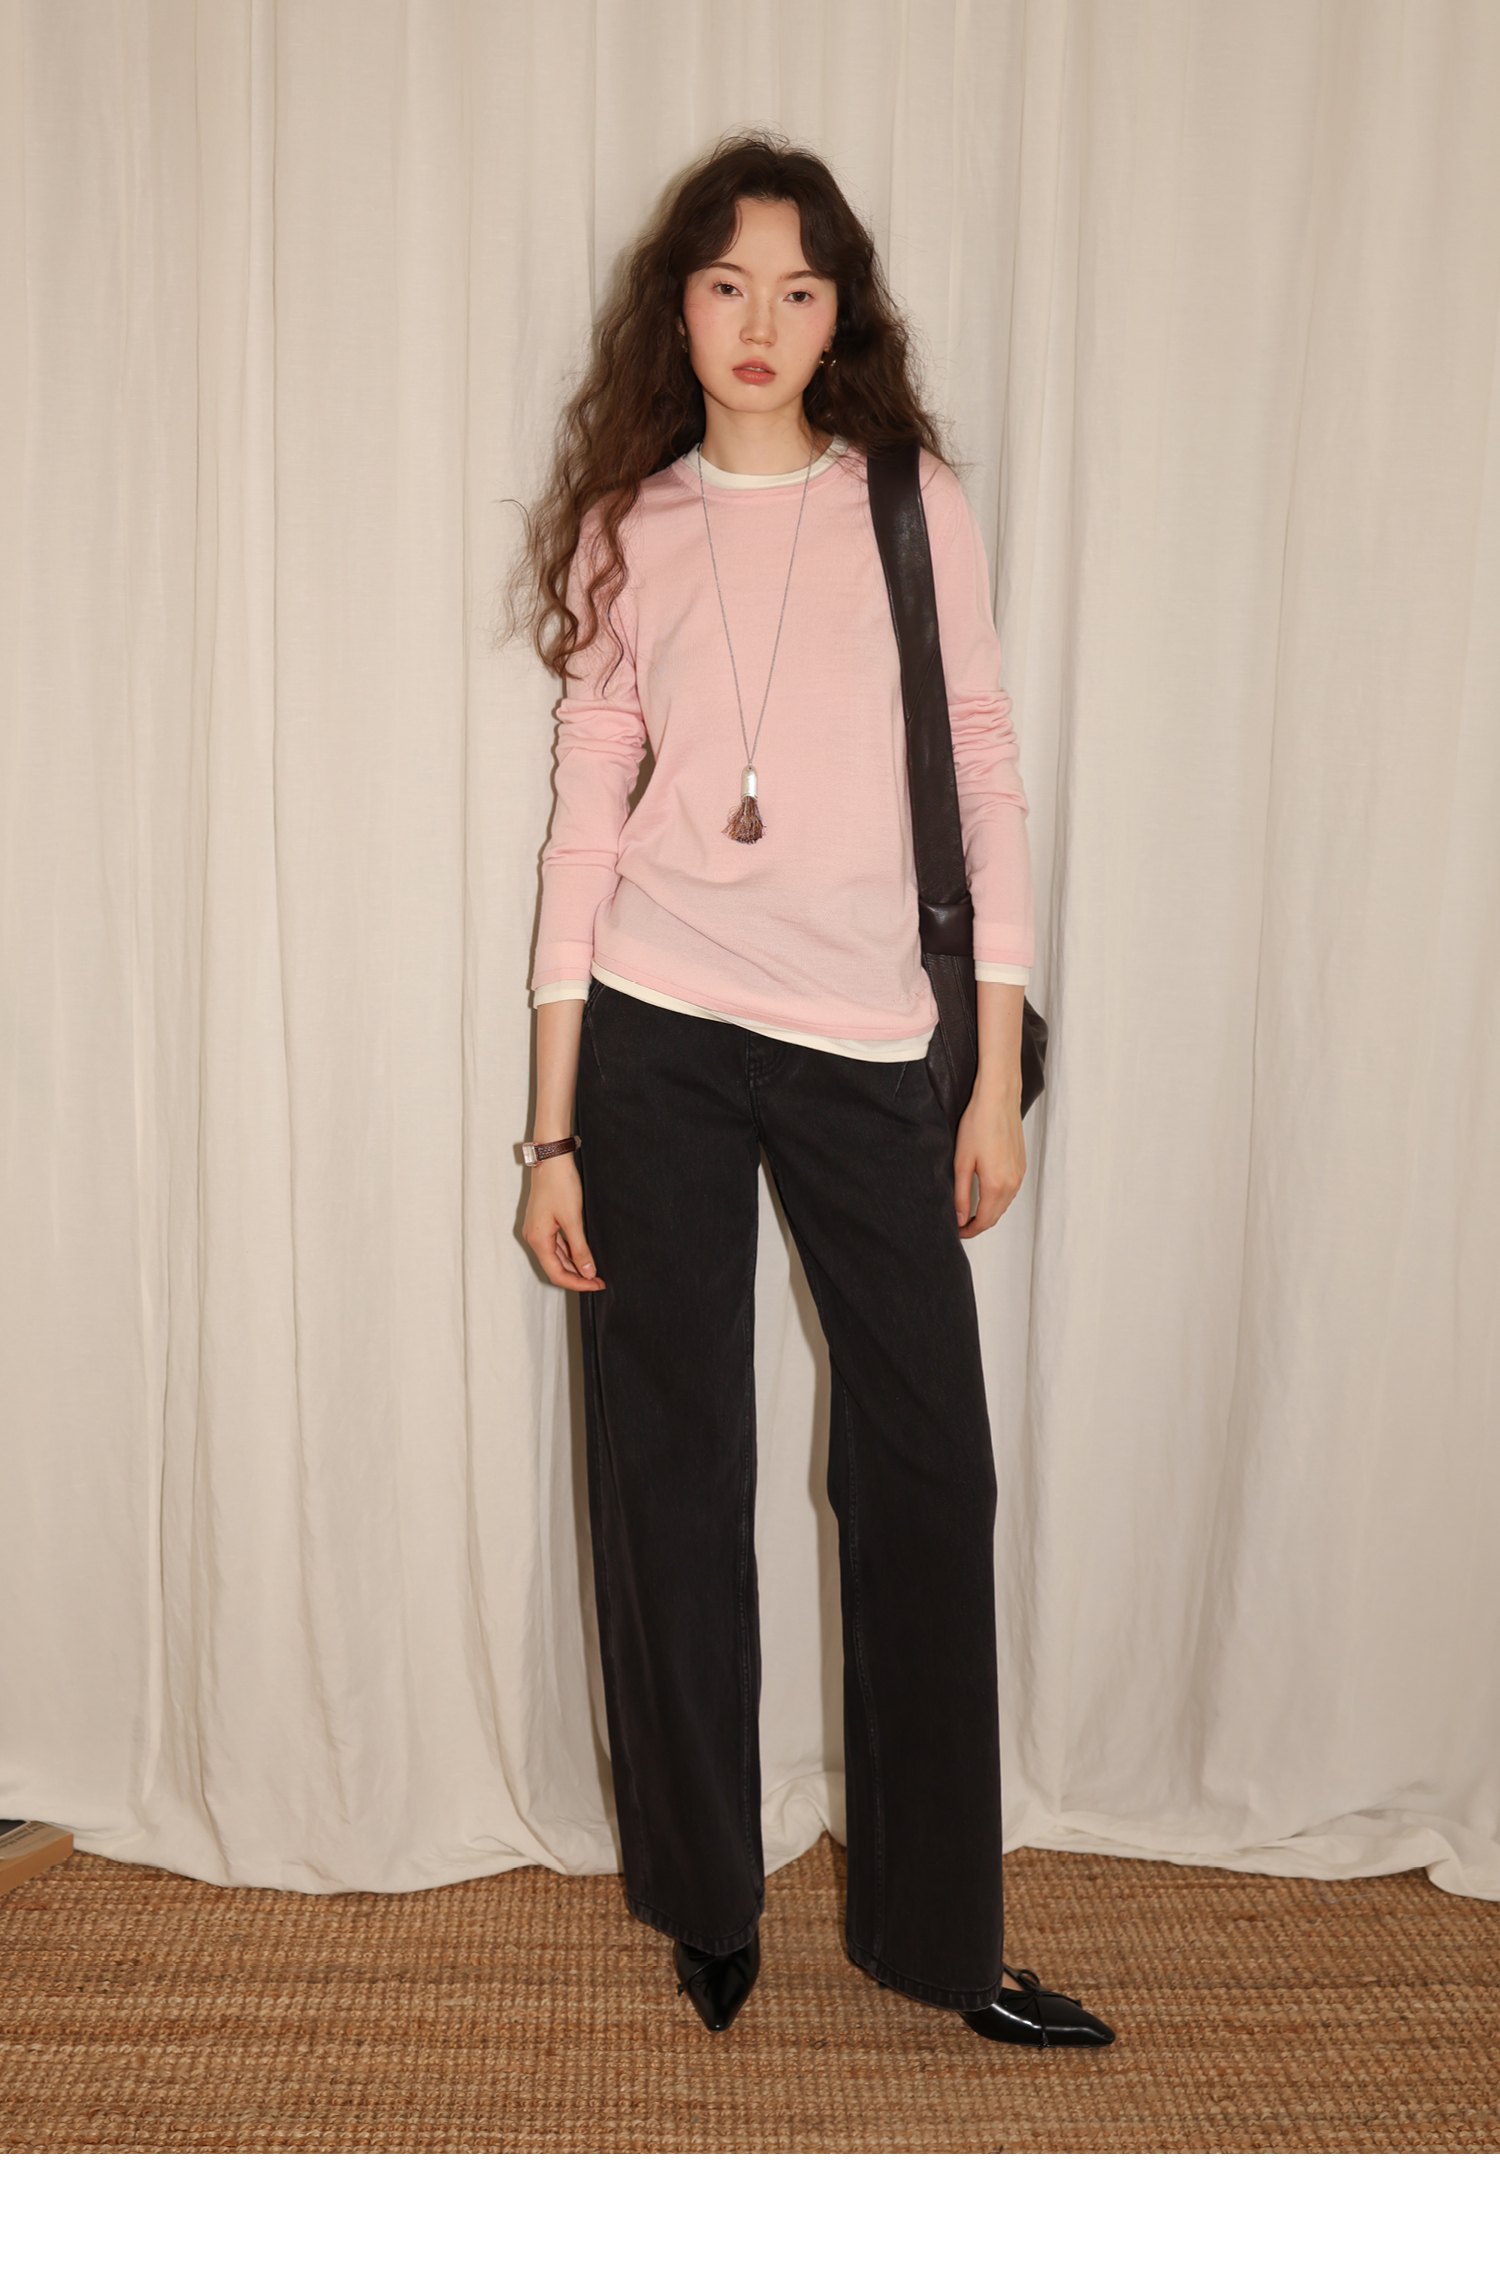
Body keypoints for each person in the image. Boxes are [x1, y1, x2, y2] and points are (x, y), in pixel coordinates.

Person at [509, 132, 1113, 2052]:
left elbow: (987, 767)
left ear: (839, 314)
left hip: (869, 1047)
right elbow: (583, 823)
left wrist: (993, 1073)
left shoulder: (909, 506)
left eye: (797, 287)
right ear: (676, 308)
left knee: (929, 1471)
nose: (759, 321)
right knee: (671, 1471)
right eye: (725, 284)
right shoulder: (631, 527)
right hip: (657, 1036)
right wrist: (551, 1130)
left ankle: (942, 1936)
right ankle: (708, 1900)